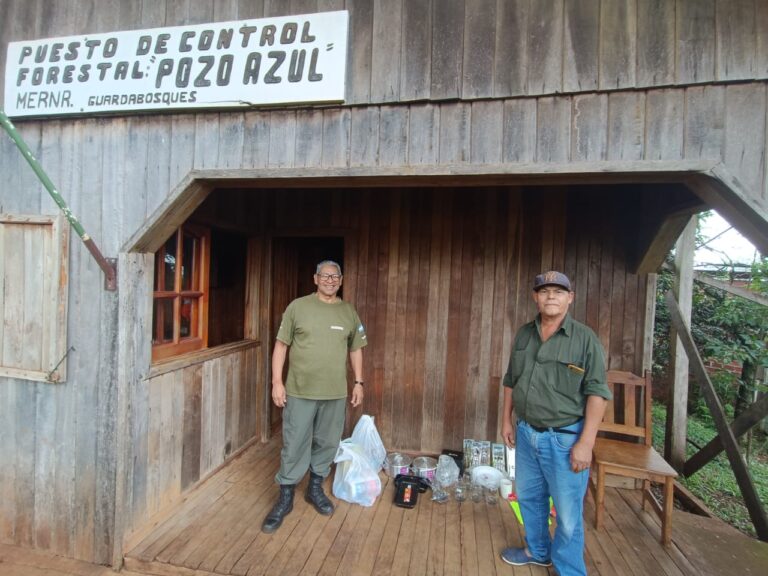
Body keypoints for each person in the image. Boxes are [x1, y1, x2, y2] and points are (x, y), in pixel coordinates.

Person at [499, 271, 611, 576]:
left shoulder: (585, 339)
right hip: (526, 432)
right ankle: (537, 551)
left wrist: (586, 443)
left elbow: (598, 392)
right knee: (529, 497)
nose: (551, 296)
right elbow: (511, 380)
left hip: (564, 439)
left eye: (559, 292)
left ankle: (570, 570)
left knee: (568, 514)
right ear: (535, 297)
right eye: (545, 291)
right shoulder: (524, 334)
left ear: (570, 298)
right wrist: (506, 420)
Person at [261, 260, 367, 534]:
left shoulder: (348, 312)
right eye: (325, 275)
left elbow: (356, 348)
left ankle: (315, 488)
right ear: (315, 278)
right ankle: (285, 497)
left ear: (341, 281)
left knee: (327, 442)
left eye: (335, 276)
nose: (330, 280)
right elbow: (281, 346)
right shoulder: (298, 307)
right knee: (294, 441)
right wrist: (277, 382)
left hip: (335, 393)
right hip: (299, 390)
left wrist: (358, 382)